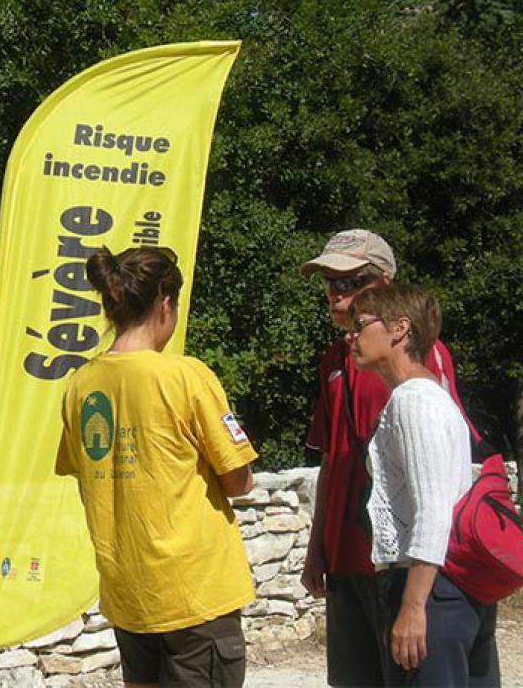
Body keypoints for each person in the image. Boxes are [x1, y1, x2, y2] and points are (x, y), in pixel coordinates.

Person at [298, 229, 497, 686]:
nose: (336, 293)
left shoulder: (418, 362)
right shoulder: (338, 357)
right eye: (329, 282)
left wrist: (415, 599)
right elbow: (333, 457)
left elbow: (439, 482)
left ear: (385, 282)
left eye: (351, 281)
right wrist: (317, 546)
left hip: (401, 562)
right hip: (348, 554)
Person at [55, 246, 257, 688]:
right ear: (166, 304)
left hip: (131, 594)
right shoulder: (185, 376)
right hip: (196, 593)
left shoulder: (80, 386)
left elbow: (88, 468)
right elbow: (238, 480)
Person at [349, 282, 494, 685]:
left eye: (360, 324)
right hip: (446, 588)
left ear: (400, 329)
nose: (351, 336)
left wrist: (413, 607)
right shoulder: (427, 395)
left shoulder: (413, 401)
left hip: (431, 590)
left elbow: (432, 511)